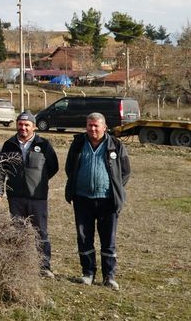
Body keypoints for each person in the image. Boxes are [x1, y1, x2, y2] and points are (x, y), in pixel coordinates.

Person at [64, 113, 130, 291]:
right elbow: (70, 167)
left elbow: (125, 172)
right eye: (90, 125)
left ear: (104, 127)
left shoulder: (115, 145)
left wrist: (114, 188)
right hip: (82, 199)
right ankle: (88, 273)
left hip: (107, 200)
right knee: (84, 237)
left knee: (108, 239)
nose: (92, 129)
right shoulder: (78, 143)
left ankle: (109, 276)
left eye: (96, 126)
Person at [0, 111, 59, 278]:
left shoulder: (44, 144)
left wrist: (37, 181)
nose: (23, 127)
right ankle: (20, 264)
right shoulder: (9, 144)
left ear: (33, 126)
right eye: (20, 124)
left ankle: (44, 266)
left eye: (27, 125)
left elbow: (52, 167)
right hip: (15, 196)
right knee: (18, 231)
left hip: (37, 197)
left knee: (41, 232)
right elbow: (2, 168)